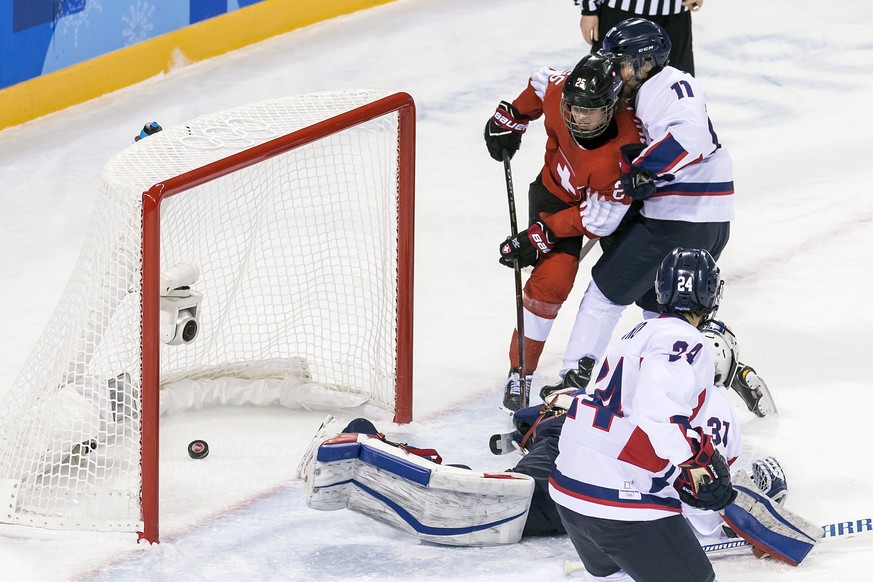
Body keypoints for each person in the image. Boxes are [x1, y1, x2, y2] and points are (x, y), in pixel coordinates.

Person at [543, 18, 733, 397]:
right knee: (661, 310)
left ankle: (572, 386)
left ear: (647, 62)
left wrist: (646, 168)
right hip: (702, 217)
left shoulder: (664, 85)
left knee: (602, 295)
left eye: (622, 62)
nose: (615, 69)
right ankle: (711, 372)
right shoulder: (647, 89)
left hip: (679, 218)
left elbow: (691, 136)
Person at [483, 52, 644, 411]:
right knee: (551, 283)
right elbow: (541, 81)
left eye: (591, 111)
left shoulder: (626, 150)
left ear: (613, 105)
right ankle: (519, 372)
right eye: (575, 108)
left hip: (602, 209)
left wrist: (541, 233)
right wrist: (514, 116)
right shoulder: (560, 95)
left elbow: (600, 221)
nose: (579, 118)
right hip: (554, 191)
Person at [573, 0, 703, 76]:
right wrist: (588, 8)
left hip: (674, 18)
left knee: (676, 94)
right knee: (606, 88)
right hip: (620, 14)